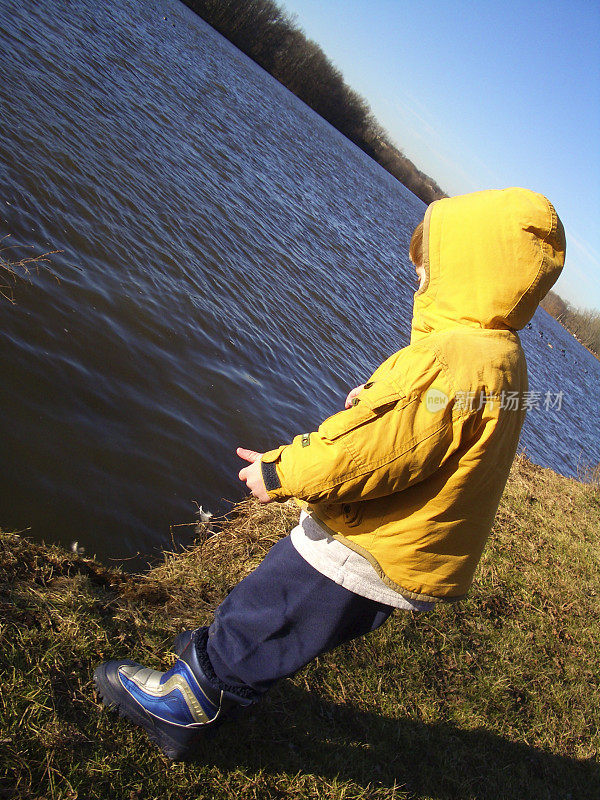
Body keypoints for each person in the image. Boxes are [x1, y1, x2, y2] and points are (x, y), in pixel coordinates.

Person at [94, 187, 566, 760]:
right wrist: (381, 397)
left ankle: (182, 709)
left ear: (473, 271)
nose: (420, 281)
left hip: (367, 543)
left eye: (431, 270)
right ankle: (225, 692)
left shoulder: (456, 356)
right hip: (413, 551)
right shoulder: (500, 354)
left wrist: (283, 469)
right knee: (291, 629)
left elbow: (376, 453)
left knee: (265, 613)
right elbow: (439, 422)